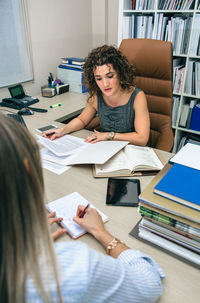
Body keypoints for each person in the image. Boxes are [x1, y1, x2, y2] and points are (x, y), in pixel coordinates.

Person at [0, 113, 164, 302]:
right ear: (28, 171)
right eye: (98, 80)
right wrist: (102, 233)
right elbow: (149, 286)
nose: (103, 82)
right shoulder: (72, 268)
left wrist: (23, 236)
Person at [43, 45, 150, 146]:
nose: (105, 84)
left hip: (132, 149)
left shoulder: (137, 96)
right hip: (106, 147)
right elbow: (82, 120)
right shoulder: (96, 96)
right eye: (99, 78)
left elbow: (142, 139)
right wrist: (62, 130)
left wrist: (109, 135)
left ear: (120, 73)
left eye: (110, 76)